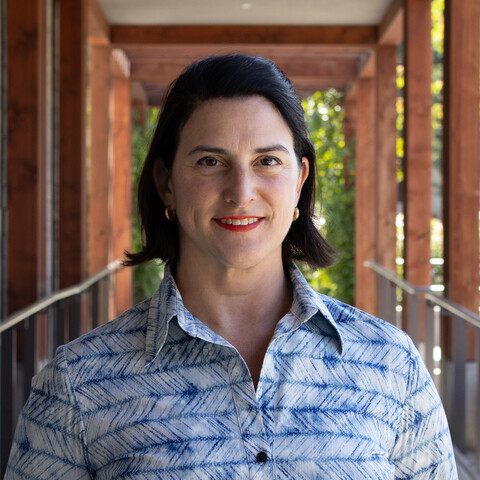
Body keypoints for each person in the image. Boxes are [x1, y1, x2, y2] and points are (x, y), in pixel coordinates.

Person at [6, 54, 457, 479]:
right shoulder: (79, 384)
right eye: (210, 161)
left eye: (267, 161)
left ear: (299, 181)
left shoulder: (389, 365)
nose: (241, 191)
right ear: (166, 184)